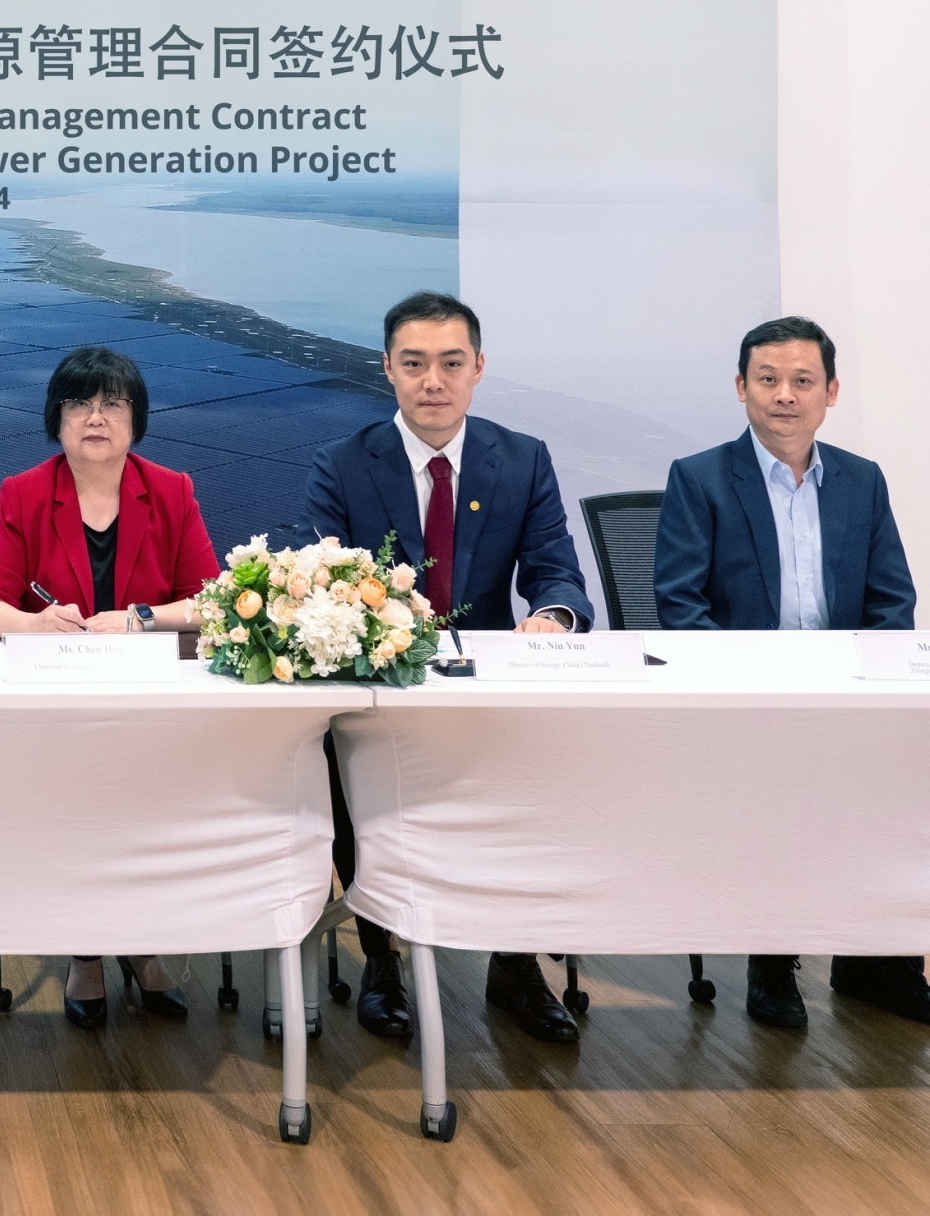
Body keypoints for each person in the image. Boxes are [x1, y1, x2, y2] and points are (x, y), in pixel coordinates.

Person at [302, 291, 594, 1045]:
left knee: (523, 787)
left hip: (486, 691)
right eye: (414, 363)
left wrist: (553, 616)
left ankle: (514, 962)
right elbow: (319, 585)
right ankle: (381, 957)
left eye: (451, 363)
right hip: (378, 690)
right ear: (387, 370)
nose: (433, 380)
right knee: (351, 770)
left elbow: (558, 571)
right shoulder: (342, 463)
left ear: (478, 368)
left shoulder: (521, 458)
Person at [655, 315, 924, 1030]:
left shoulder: (861, 480)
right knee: (778, 769)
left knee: (904, 766)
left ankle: (878, 961)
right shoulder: (700, 478)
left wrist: (870, 687)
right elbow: (680, 606)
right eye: (768, 379)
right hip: (745, 696)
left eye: (802, 380)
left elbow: (893, 601)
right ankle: (772, 960)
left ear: (830, 391)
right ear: (741, 387)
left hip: (846, 693)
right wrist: (757, 687)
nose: (784, 395)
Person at [0, 345, 220, 1028]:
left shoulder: (171, 490)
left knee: (145, 800)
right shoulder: (25, 492)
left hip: (150, 705)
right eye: (79, 403)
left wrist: (141, 618)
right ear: (57, 418)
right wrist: (32, 622)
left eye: (112, 403)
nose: (95, 417)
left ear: (137, 418)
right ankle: (85, 950)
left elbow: (212, 602)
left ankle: (139, 940)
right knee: (77, 794)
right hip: (58, 705)